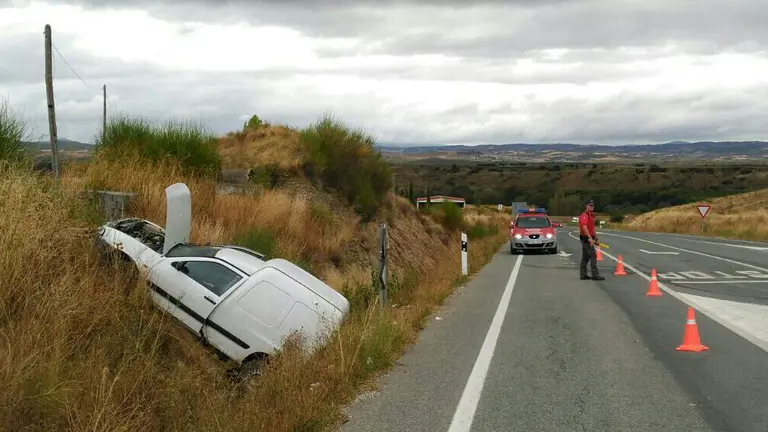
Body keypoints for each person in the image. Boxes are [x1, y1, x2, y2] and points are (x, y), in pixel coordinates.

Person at [579, 200, 605, 280]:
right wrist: (590, 238)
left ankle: (583, 275)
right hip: (586, 238)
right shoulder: (584, 215)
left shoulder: (591, 216)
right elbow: (584, 227)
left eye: (593, 205)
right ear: (586, 206)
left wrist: (596, 238)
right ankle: (595, 275)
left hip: (589, 238)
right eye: (590, 205)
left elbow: (592, 228)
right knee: (593, 255)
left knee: (585, 257)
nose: (591, 207)